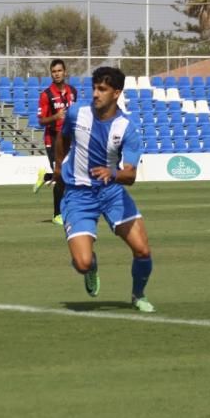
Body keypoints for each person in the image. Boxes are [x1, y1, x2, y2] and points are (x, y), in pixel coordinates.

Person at [53, 66, 154, 313]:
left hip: (112, 193)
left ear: (116, 93)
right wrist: (58, 167)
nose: (96, 94)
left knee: (142, 250)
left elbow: (130, 175)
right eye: (94, 88)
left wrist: (114, 173)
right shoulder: (77, 113)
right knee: (83, 263)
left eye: (103, 89)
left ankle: (138, 295)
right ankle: (92, 265)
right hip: (78, 195)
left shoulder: (126, 128)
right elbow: (63, 139)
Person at [34, 59, 78, 225]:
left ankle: (45, 176)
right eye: (54, 71)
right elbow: (41, 121)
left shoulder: (72, 91)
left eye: (59, 70)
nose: (57, 74)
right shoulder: (46, 95)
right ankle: (57, 214)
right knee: (61, 177)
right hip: (52, 138)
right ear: (51, 73)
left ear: (65, 72)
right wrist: (55, 117)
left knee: (69, 174)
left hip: (69, 137)